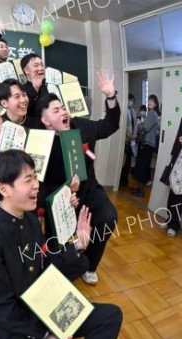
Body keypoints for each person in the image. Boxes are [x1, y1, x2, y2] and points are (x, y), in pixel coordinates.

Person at [0, 149, 122, 339]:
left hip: (42, 304)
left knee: (111, 316)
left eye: (35, 176)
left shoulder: (30, 219)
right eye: (28, 179)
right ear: (4, 188)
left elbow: (44, 265)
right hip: (13, 327)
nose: (36, 185)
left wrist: (77, 246)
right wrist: (46, 333)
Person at [36, 70, 120, 285]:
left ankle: (89, 264)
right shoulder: (40, 143)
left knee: (108, 218)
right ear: (46, 120)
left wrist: (111, 97)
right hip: (60, 199)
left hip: (89, 191)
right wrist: (64, 194)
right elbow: (40, 183)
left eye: (63, 107)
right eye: (56, 110)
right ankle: (60, 269)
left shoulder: (82, 127)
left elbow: (110, 125)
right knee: (55, 241)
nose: (63, 112)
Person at [132, 94, 161, 197]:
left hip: (147, 144)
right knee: (143, 166)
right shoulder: (152, 113)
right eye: (149, 101)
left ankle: (140, 191)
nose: (149, 102)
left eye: (152, 101)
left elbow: (145, 128)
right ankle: (139, 189)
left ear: (155, 104)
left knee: (142, 166)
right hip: (148, 144)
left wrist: (140, 123)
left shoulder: (152, 114)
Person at [20, 53, 49, 118]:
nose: (41, 68)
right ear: (26, 70)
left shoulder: (48, 87)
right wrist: (35, 88)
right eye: (36, 65)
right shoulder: (21, 90)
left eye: (42, 65)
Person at [121, 94, 137, 187]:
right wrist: (127, 135)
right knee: (123, 160)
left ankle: (125, 180)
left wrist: (134, 134)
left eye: (132, 101)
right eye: (130, 100)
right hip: (125, 138)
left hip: (132, 140)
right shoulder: (124, 110)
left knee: (128, 161)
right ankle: (121, 179)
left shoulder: (133, 111)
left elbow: (135, 124)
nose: (131, 102)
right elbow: (123, 125)